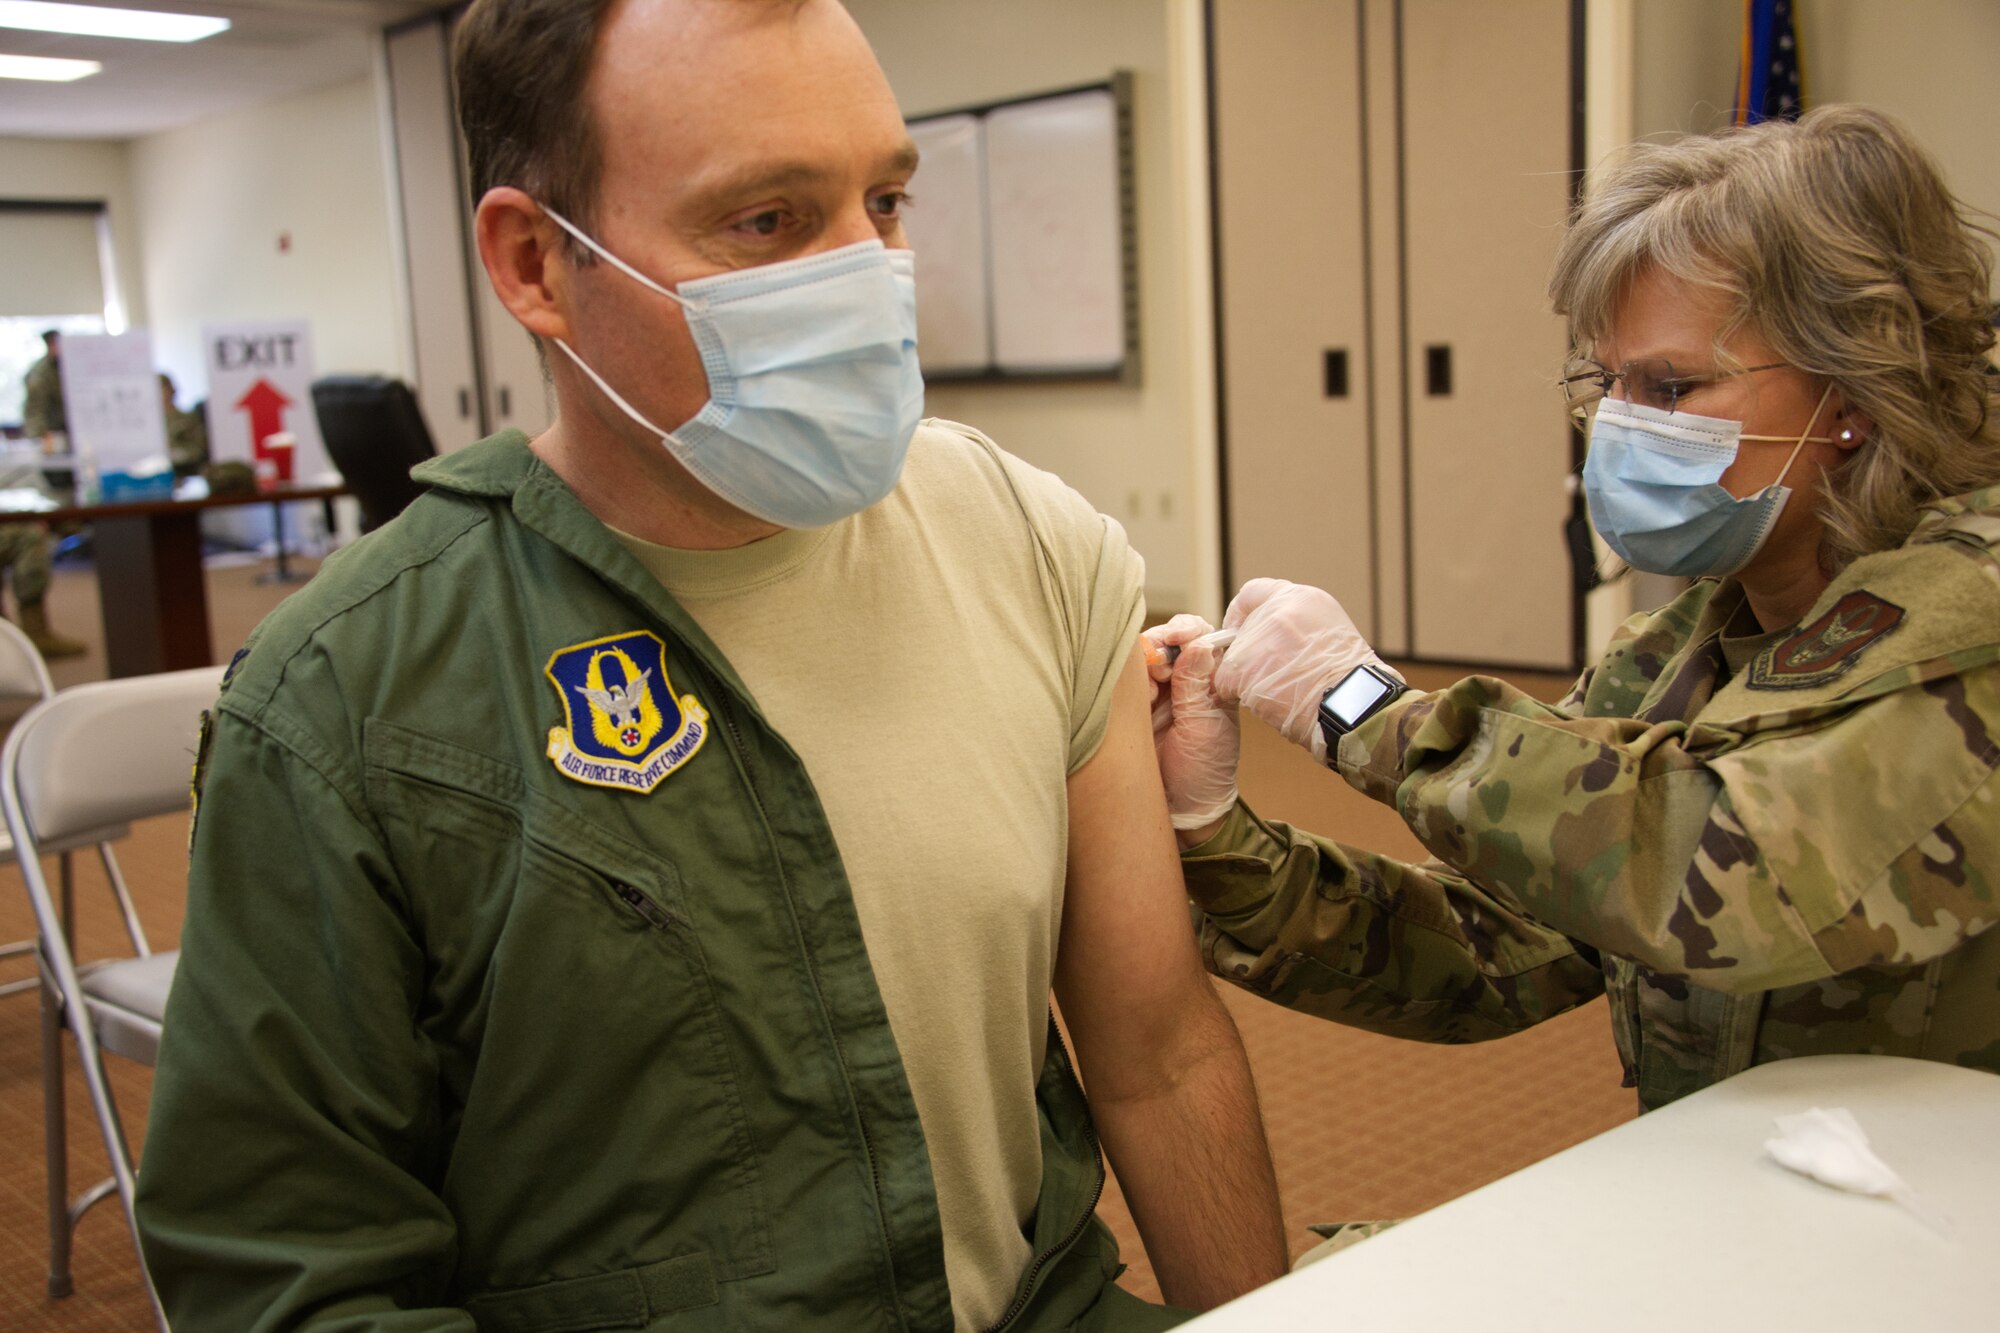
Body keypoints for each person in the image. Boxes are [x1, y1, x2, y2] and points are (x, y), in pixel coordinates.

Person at [136, 1, 1286, 1329]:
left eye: (887, 201)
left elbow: (1159, 1053)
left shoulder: (1032, 544)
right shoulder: (346, 700)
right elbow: (291, 1277)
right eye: (769, 223)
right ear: (534, 264)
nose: (868, 272)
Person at [1149, 106, 2000, 1117]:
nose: (1621, 428)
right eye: (1610, 383)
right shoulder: (1675, 656)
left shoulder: (1975, 611)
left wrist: (1361, 709)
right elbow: (1496, 947)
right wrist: (1211, 832)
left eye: (1672, 386)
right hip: (1751, 1198)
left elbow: (1724, 874)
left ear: (1853, 387)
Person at [159, 372, 209, 477]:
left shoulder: (187, 418)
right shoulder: (147, 425)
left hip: (184, 472)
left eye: (163, 388)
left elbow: (198, 449)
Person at [21, 328, 64, 445]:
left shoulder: (71, 365)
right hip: (52, 432)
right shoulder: (40, 372)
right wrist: (37, 436)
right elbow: (34, 408)